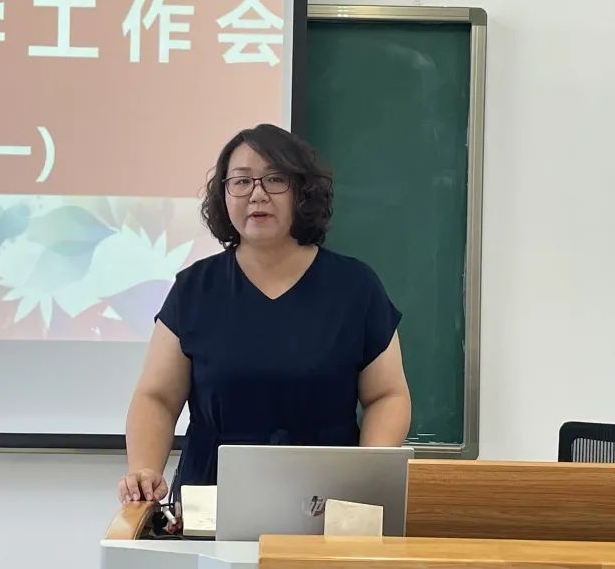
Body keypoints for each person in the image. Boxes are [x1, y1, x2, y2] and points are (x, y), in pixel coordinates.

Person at [118, 124, 411, 505]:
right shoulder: (194, 288)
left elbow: (387, 395)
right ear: (224, 195)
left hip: (329, 497)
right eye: (241, 182)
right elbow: (157, 397)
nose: (257, 194)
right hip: (212, 497)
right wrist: (144, 470)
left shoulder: (355, 286)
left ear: (302, 191)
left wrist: (367, 477)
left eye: (275, 180)